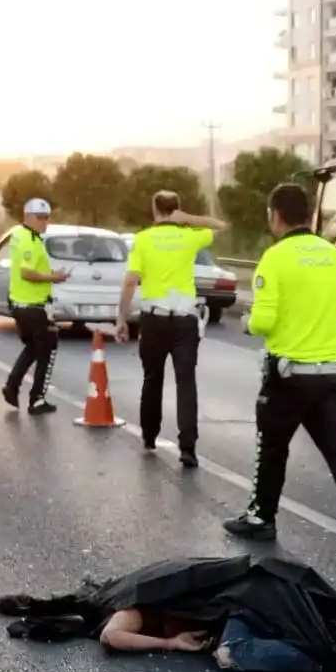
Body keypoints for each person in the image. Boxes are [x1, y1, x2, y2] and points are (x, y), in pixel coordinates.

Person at [223, 183, 336, 559]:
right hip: (331, 375)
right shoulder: (335, 258)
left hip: (289, 376)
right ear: (309, 212)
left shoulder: (276, 258)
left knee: (272, 448)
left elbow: (264, 320)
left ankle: (261, 518)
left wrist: (248, 322)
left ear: (274, 214)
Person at [116, 191, 222, 468]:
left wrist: (121, 319)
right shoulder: (190, 237)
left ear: (155, 209)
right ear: (177, 209)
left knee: (152, 379)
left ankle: (149, 437)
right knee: (186, 383)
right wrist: (188, 219)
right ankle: (188, 448)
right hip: (185, 320)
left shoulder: (143, 239)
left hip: (154, 319)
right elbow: (220, 225)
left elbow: (130, 282)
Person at [98, 607, 324, 672]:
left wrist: (170, 643)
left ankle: (320, 662)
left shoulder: (136, 608)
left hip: (239, 609)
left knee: (232, 653)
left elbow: (111, 636)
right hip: (236, 614)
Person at [2, 198, 72, 414]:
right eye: (40, 218)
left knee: (33, 347)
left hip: (22, 303)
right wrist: (54, 277)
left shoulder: (23, 235)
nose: (45, 222)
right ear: (28, 217)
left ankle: (12, 386)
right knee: (48, 348)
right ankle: (37, 399)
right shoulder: (28, 240)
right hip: (31, 306)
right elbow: (27, 272)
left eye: (47, 217)